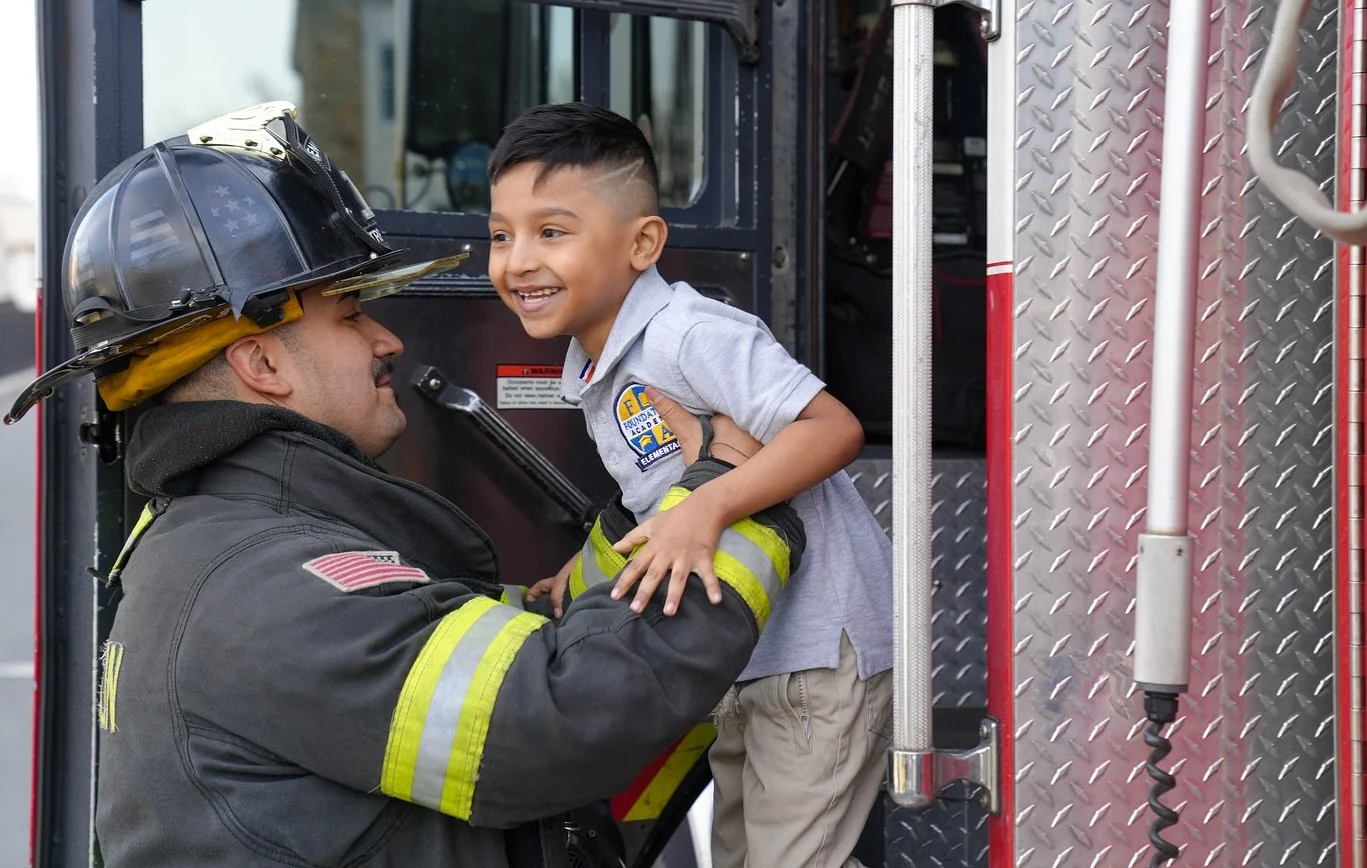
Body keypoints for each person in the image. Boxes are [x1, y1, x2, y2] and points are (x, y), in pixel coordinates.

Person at [8, 102, 807, 867]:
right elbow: (551, 720)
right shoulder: (263, 588)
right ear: (261, 365)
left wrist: (637, 523)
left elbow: (452, 642)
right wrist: (731, 499)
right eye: (351, 314)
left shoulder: (234, 545)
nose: (387, 338)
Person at [487, 102, 894, 868]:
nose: (518, 261)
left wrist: (705, 507)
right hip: (749, 656)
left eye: (551, 231)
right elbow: (657, 486)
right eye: (500, 236)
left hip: (816, 653)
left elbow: (832, 430)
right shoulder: (598, 362)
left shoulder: (690, 334)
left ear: (642, 243)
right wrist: (589, 563)